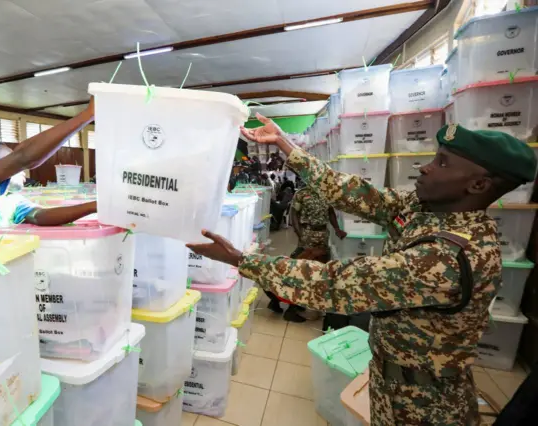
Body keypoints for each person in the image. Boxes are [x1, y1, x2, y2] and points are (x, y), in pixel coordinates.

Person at [187, 113, 537, 425]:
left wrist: (239, 259)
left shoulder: (450, 256)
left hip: (425, 405)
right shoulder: (429, 210)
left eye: (443, 163)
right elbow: (359, 194)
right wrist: (285, 145)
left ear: (478, 185)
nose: (426, 167)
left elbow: (335, 284)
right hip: (392, 379)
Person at [0, 98, 97, 233]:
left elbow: (39, 216)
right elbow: (23, 157)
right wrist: (87, 115)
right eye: (9, 160)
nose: (22, 172)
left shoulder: (9, 200)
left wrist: (94, 206)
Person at [266, 185, 348, 322]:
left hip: (322, 234)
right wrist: (300, 235)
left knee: (318, 272)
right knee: (303, 272)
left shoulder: (326, 191)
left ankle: (293, 302)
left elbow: (331, 213)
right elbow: (293, 215)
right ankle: (292, 309)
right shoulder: (302, 194)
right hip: (307, 234)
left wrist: (337, 229)